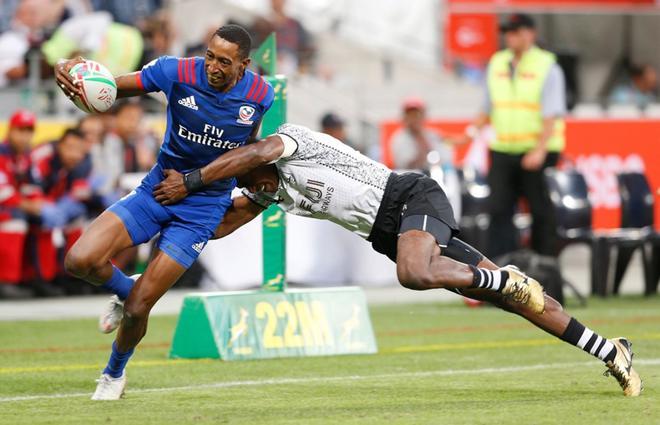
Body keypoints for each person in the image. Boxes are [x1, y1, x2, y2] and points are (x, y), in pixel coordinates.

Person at [150, 123, 642, 397]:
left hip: (410, 197)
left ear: (254, 160)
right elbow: (225, 223)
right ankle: (609, 350)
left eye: (244, 178)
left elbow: (253, 154)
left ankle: (500, 279)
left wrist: (196, 179)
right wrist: (166, 217)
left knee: (414, 274)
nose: (246, 188)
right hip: (392, 233)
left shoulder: (289, 142)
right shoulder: (274, 190)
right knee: (511, 299)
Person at [56, 24, 274, 400]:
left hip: (202, 209)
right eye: (210, 56)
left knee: (141, 307)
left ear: (244, 64)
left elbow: (246, 146)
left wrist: (252, 186)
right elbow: (111, 86)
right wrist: (72, 71)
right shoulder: (177, 71)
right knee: (79, 259)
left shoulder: (260, 94)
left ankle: (113, 374)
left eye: (224, 61)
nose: (213, 67)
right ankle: (126, 288)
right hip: (158, 189)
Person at [472, 13, 566, 259]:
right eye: (507, 32)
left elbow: (552, 113)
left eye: (515, 31)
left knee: (541, 211)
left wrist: (540, 150)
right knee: (498, 211)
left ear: (530, 33)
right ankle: (500, 275)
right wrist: (470, 133)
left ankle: (544, 271)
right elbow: (487, 107)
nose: (509, 37)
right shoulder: (497, 62)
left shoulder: (547, 65)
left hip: (537, 150)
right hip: (503, 148)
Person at [0, 110, 39, 299]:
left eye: (28, 131)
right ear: (10, 130)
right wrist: (29, 205)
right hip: (5, 207)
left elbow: (30, 186)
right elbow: (3, 192)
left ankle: (35, 277)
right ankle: (6, 281)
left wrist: (38, 203)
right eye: (20, 130)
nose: (24, 136)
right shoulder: (2, 153)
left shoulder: (25, 156)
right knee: (15, 221)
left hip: (13, 206)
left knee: (42, 220)